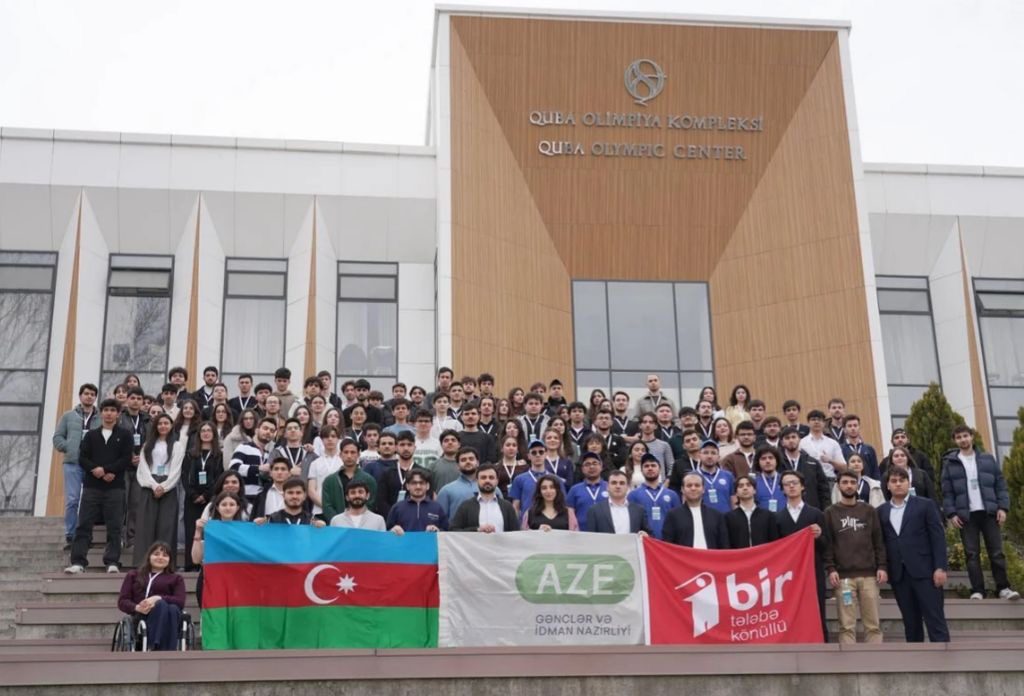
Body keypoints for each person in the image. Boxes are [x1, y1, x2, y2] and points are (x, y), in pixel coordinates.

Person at [941, 425, 1020, 600]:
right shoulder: (950, 463)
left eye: (965, 436)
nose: (963, 439)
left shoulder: (987, 459)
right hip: (966, 516)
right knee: (972, 555)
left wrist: (1002, 507)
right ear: (955, 441)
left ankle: (1003, 588)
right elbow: (947, 492)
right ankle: (978, 590)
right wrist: (952, 514)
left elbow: (1000, 485)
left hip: (989, 513)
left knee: (997, 553)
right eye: (959, 437)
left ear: (972, 437)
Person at [878, 467, 950, 642]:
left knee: (935, 618)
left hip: (925, 572)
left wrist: (940, 567)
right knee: (910, 622)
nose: (898, 484)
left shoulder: (925, 505)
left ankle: (943, 655)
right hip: (899, 574)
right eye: (894, 481)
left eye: (901, 480)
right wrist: (883, 567)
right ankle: (916, 656)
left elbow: (937, 538)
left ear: (908, 482)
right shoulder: (881, 511)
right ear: (887, 485)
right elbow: (881, 543)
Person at [66, 398, 133, 574]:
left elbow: (126, 458)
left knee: (115, 526)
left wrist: (108, 470)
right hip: (92, 487)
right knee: (84, 525)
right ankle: (78, 562)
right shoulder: (91, 435)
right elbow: (83, 457)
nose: (109, 413)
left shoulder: (125, 435)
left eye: (113, 410)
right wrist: (96, 469)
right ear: (101, 413)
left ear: (118, 414)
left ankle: (112, 561)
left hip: (115, 487)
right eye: (106, 410)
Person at [823, 471, 887, 644]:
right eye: (845, 482)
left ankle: (875, 657)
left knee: (873, 624)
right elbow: (828, 544)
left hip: (869, 576)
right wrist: (831, 568)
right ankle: (848, 659)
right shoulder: (830, 512)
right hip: (843, 578)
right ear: (838, 485)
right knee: (846, 625)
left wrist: (882, 566)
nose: (849, 485)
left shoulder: (869, 511)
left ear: (857, 485)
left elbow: (878, 541)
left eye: (853, 482)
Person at [776, 469, 828, 641]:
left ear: (802, 486)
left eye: (794, 483)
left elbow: (827, 545)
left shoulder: (816, 514)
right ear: (782, 489)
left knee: (817, 609)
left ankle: (821, 643)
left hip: (813, 570)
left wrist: (819, 536)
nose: (791, 486)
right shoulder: (778, 517)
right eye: (787, 484)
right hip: (787, 574)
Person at [53, 383, 100, 547]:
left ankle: (86, 535)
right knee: (73, 500)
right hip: (73, 463)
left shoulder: (100, 418)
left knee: (90, 501)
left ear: (95, 398)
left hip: (92, 465)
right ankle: (71, 535)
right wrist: (69, 447)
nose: (89, 396)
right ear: (80, 396)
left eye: (92, 394)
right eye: (86, 393)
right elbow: (57, 438)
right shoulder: (68, 416)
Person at [134, 413, 185, 566]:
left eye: (166, 423)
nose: (163, 426)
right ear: (156, 426)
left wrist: (164, 486)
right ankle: (143, 563)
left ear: (171, 426)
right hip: (149, 485)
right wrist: (154, 485)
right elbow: (143, 467)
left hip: (168, 487)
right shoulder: (148, 445)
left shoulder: (177, 445)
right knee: (146, 526)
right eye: (160, 423)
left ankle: (165, 563)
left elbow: (176, 469)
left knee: (166, 527)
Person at [117, 541, 186, 651]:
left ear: (170, 560)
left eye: (165, 555)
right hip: (141, 616)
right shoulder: (133, 575)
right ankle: (160, 647)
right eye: (156, 554)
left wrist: (158, 598)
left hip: (169, 616)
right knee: (163, 606)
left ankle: (156, 645)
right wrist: (137, 607)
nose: (160, 558)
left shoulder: (176, 579)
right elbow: (122, 601)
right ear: (149, 556)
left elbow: (180, 602)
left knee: (170, 607)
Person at [182, 422, 223, 571]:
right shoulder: (190, 454)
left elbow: (219, 477)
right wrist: (193, 494)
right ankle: (190, 564)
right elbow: (184, 476)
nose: (206, 433)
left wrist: (206, 495)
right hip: (191, 498)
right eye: (203, 431)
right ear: (199, 434)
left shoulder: (219, 455)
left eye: (209, 431)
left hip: (210, 498)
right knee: (191, 530)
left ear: (214, 434)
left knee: (209, 530)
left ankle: (208, 563)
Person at [661, 471, 729, 549]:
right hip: (684, 557)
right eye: (689, 485)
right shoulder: (672, 515)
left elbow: (724, 546)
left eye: (697, 485)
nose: (693, 488)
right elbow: (667, 546)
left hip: (710, 556)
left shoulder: (716, 516)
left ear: (703, 489)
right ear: (682, 489)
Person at [319, 439, 378, 522]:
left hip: (362, 524)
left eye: (353, 452)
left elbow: (371, 504)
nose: (349, 456)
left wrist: (358, 520)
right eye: (346, 452)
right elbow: (327, 506)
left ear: (358, 455)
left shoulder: (369, 480)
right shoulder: (330, 481)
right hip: (337, 525)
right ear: (340, 455)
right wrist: (338, 521)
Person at [450, 464, 519, 532]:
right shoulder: (466, 506)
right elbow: (453, 530)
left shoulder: (507, 507)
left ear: (497, 481)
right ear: (477, 481)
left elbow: (516, 533)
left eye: (491, 477)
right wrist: (477, 529)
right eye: (483, 477)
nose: (487, 480)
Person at [778, 426, 832, 511]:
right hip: (784, 510)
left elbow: (823, 489)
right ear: (782, 442)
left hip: (810, 509)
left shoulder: (813, 463)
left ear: (799, 440)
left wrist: (825, 510)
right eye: (787, 438)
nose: (791, 440)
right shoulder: (777, 463)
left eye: (793, 437)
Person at [627, 455, 681, 540]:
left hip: (668, 542)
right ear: (641, 470)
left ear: (660, 469)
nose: (650, 468)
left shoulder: (672, 495)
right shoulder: (633, 495)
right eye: (646, 466)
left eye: (653, 465)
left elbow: (678, 520)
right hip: (644, 542)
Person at [376, 431, 424, 518]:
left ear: (414, 447)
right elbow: (381, 501)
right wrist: (393, 517)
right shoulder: (386, 473)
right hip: (391, 520)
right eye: (402, 445)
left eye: (409, 445)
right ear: (396, 448)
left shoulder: (423, 473)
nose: (406, 448)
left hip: (416, 519)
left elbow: (426, 500)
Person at [230, 417, 277, 504]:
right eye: (265, 428)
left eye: (272, 431)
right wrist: (259, 468)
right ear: (256, 430)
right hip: (244, 498)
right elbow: (234, 468)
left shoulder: (269, 454)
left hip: (262, 499)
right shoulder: (244, 447)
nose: (268, 432)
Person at [586, 470, 650, 535]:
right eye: (614, 483)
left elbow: (648, 534)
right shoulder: (594, 511)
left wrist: (645, 534)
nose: (618, 486)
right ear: (607, 487)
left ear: (627, 487)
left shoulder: (639, 510)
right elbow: (591, 538)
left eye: (622, 483)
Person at [510, 439, 562, 516]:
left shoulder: (556, 479)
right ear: (528, 456)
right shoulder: (519, 479)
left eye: (541, 452)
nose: (538, 455)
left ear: (546, 454)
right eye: (534, 452)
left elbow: (561, 503)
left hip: (551, 520)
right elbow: (515, 506)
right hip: (528, 521)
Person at [726, 475, 780, 548]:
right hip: (740, 554)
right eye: (741, 486)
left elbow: (774, 542)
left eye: (748, 485)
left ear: (754, 490)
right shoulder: (729, 517)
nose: (745, 488)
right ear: (736, 493)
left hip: (763, 554)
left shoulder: (768, 515)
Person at [436, 447, 486, 518]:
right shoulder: (446, 491)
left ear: (478, 463)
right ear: (458, 466)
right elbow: (440, 519)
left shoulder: (491, 488)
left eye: (471, 459)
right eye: (463, 460)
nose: (468, 462)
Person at [566, 452, 609, 532]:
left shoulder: (609, 487)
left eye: (595, 463)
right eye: (587, 464)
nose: (591, 467)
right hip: (582, 534)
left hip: (607, 534)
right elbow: (570, 511)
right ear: (582, 469)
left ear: (601, 467)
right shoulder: (574, 489)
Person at [256, 477, 325, 526]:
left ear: (304, 496)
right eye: (290, 493)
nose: (294, 496)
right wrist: (257, 524)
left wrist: (321, 529)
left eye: (298, 493)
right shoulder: (272, 520)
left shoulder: (312, 521)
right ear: (283, 495)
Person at [306, 425, 343, 516]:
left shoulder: (344, 462)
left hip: (341, 511)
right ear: (322, 440)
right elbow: (311, 490)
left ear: (338, 439)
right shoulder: (315, 463)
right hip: (319, 510)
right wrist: (326, 507)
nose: (330, 439)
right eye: (326, 437)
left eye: (333, 436)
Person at [800, 410, 846, 480]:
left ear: (824, 423)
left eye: (819, 420)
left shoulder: (833, 443)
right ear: (808, 423)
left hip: (829, 480)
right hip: (809, 480)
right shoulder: (801, 443)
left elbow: (844, 468)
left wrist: (830, 461)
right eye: (813, 419)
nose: (816, 422)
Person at [696, 440, 734, 514]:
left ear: (718, 457)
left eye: (713, 453)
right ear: (699, 456)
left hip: (726, 518)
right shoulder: (692, 477)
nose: (709, 456)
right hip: (703, 518)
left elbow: (733, 500)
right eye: (705, 453)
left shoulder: (728, 476)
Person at [840, 415, 881, 480]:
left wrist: (877, 483)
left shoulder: (869, 449)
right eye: (849, 426)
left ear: (859, 428)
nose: (853, 428)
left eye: (855, 425)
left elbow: (875, 470)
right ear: (844, 429)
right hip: (848, 483)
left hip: (867, 484)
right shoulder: (840, 449)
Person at [636, 412, 673, 478]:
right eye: (644, 422)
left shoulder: (664, 445)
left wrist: (666, 481)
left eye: (651, 422)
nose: (647, 425)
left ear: (656, 426)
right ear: (640, 425)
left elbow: (671, 467)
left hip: (660, 482)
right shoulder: (635, 446)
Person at [751, 446, 786, 512]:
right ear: (758, 462)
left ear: (777, 461)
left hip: (783, 517)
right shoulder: (753, 482)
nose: (767, 461)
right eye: (763, 458)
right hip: (761, 517)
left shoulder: (785, 480)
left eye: (771, 458)